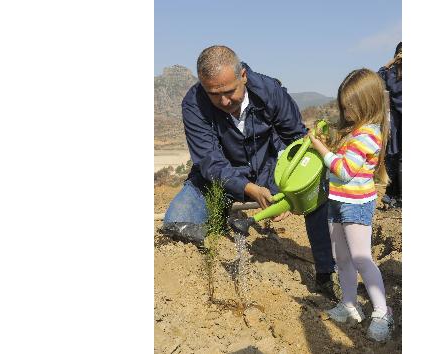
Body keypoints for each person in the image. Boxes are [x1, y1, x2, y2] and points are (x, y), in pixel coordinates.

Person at [161, 45, 336, 297]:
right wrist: (248, 189)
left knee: (316, 194)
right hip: (217, 179)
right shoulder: (193, 104)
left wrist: (289, 191)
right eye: (214, 94)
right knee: (175, 223)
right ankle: (217, 231)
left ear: (242, 75)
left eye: (229, 92)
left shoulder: (269, 91)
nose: (223, 101)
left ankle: (325, 274)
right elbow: (209, 162)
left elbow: (297, 142)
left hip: (269, 173)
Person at [308, 68, 394, 341]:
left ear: (367, 103)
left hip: (356, 205)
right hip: (337, 201)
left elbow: (344, 170)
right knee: (341, 258)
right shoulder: (354, 131)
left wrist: (321, 150)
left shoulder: (369, 134)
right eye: (344, 106)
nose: (346, 111)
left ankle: (382, 311)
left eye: (351, 106)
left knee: (361, 259)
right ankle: (349, 304)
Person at [377, 42, 402, 209]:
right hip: (394, 123)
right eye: (400, 53)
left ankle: (399, 197)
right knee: (392, 158)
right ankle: (392, 195)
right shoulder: (391, 73)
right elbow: (375, 78)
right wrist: (391, 62)